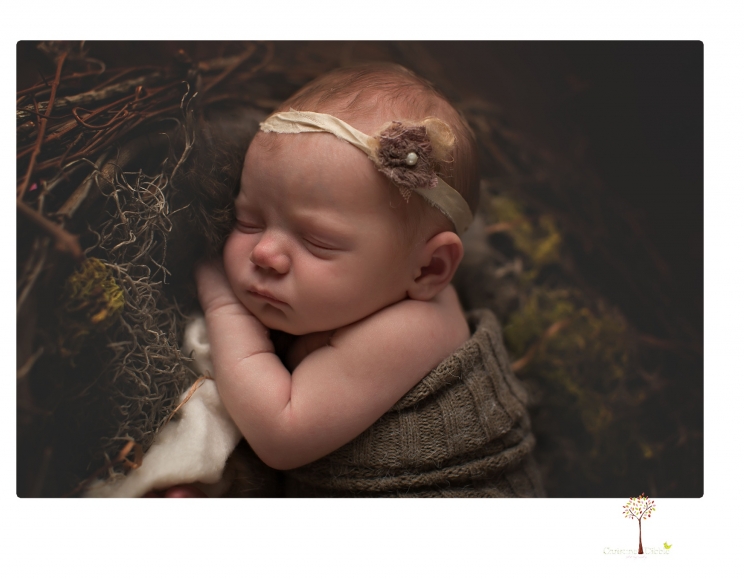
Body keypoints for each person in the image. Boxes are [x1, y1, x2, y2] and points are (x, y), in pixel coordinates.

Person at [194, 63, 543, 497]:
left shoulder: (413, 330)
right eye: (248, 220)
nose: (264, 253)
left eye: (318, 241)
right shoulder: (365, 296)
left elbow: (280, 434)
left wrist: (224, 308)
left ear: (429, 269)